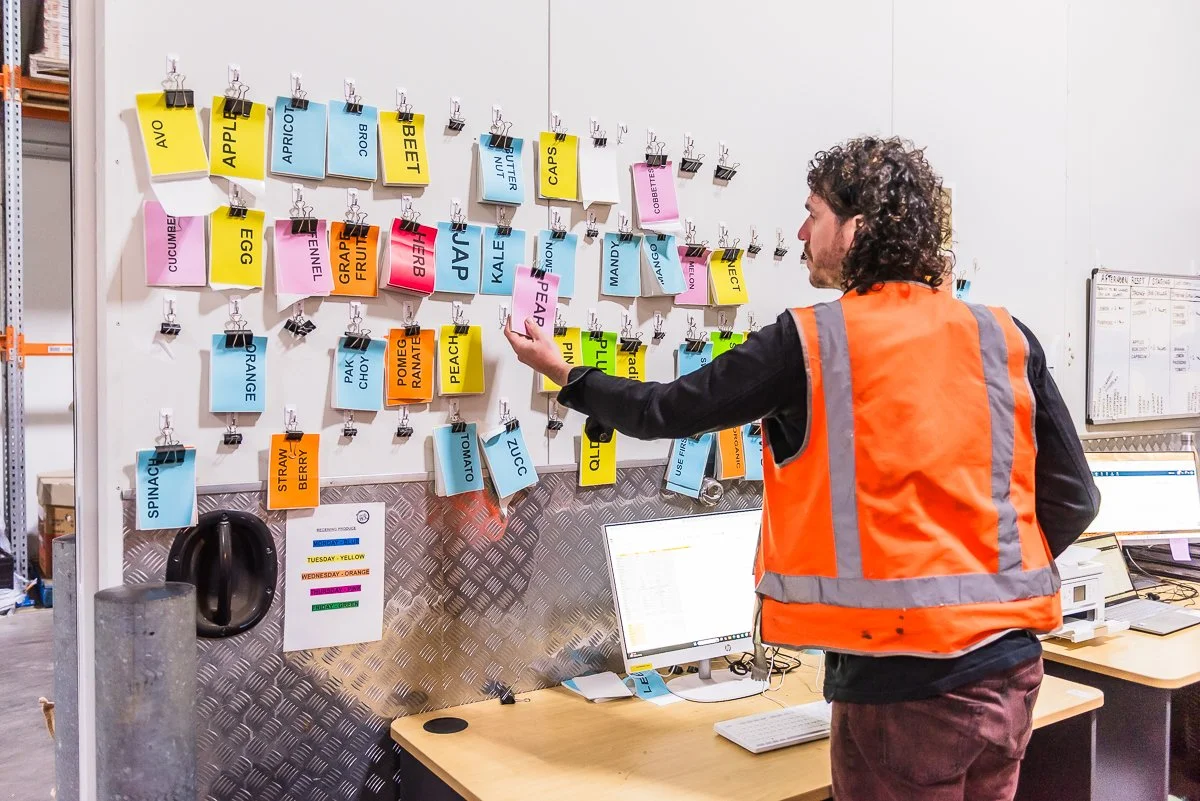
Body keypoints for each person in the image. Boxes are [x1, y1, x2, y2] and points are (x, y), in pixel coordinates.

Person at [505, 136, 1100, 800]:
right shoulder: (1005, 335)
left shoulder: (814, 341)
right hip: (1011, 674)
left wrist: (567, 374)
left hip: (902, 688)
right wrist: (983, 577)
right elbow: (1074, 497)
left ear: (857, 229)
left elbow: (668, 409)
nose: (799, 231)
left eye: (812, 212)